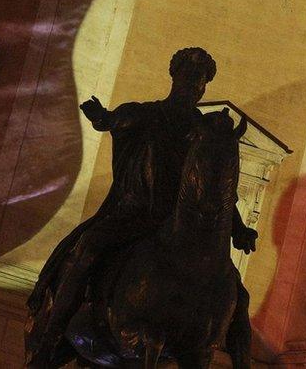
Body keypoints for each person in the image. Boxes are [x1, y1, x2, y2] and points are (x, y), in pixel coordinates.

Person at [25, 47, 258, 367]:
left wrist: (239, 230)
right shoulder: (147, 114)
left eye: (199, 81)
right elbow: (118, 119)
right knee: (88, 247)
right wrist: (103, 118)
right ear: (174, 77)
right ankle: (50, 337)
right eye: (187, 77)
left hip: (177, 225)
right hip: (133, 215)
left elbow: (215, 187)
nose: (192, 85)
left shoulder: (204, 133)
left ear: (204, 88)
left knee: (238, 296)